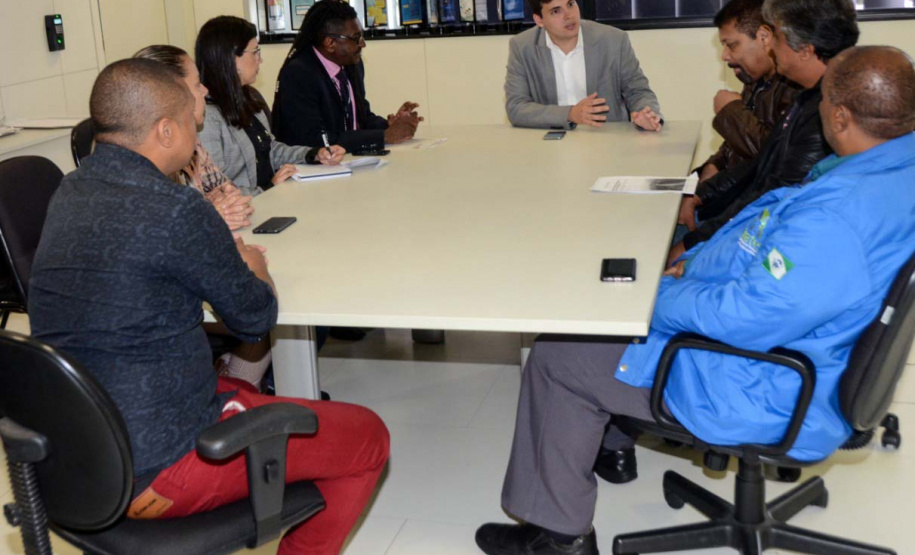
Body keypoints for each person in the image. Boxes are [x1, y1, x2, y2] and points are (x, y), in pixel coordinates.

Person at [474, 43, 915, 555]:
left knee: (558, 355)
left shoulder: (838, 218)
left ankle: (559, 536)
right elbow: (777, 261)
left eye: (820, 102)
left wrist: (655, 295)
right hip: (815, 355)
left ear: (840, 117)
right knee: (603, 337)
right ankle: (609, 447)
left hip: (768, 382)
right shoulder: (892, 173)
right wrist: (698, 269)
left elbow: (747, 316)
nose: (813, 108)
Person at [28, 58, 389, 555]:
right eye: (192, 123)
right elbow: (255, 317)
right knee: (368, 437)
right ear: (164, 130)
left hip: (73, 457)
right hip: (160, 468)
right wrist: (250, 263)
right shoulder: (176, 208)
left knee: (239, 383)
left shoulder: (69, 191)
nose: (199, 134)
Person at [670, 0, 858, 266]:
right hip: (745, 222)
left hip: (763, 238)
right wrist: (701, 189)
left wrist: (694, 245)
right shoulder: (807, 98)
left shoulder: (825, 111)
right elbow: (760, 164)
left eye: (776, 37)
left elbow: (769, 196)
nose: (771, 46)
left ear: (804, 50)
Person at [196, 15, 345, 197]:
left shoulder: (248, 98)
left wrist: (314, 154)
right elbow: (214, 191)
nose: (260, 60)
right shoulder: (207, 117)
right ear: (231, 58)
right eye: (255, 52)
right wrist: (267, 188)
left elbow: (270, 150)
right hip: (245, 213)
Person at [272, 0, 423, 152]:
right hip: (311, 169)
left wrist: (389, 126)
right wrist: (383, 137)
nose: (362, 44)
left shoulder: (353, 64)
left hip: (345, 161)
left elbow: (361, 116)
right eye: (356, 38)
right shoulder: (298, 75)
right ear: (330, 43)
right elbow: (314, 139)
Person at [134, 45, 254, 232]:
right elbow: (155, 234)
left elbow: (227, 190)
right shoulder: (141, 159)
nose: (205, 91)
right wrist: (207, 219)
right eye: (197, 84)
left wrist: (227, 204)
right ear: (172, 94)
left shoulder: (191, 141)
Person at [504, 0, 661, 131]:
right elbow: (516, 108)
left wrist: (646, 113)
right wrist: (570, 114)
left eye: (571, 4)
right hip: (551, 147)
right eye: (556, 11)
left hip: (608, 144)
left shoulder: (614, 40)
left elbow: (638, 91)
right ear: (539, 20)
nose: (569, 16)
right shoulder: (522, 47)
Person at [695, 0, 800, 182]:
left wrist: (731, 111)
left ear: (764, 38)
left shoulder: (794, 86)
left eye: (732, 45)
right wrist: (713, 165)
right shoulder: (755, 80)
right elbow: (735, 144)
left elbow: (774, 156)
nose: (724, 55)